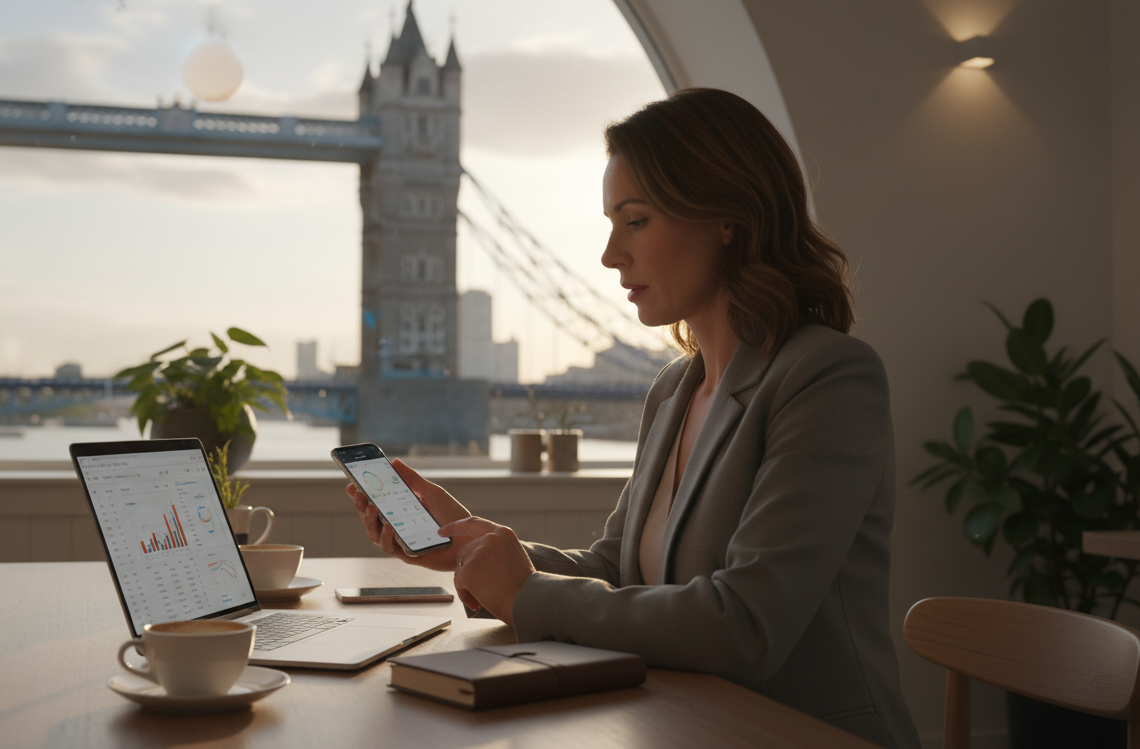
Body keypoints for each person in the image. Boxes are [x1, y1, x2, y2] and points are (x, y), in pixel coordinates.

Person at [346, 88, 921, 749]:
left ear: (727, 217)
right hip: (680, 723)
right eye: (611, 221)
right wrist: (477, 547)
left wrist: (524, 594)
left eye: (636, 220)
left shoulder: (830, 377)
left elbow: (747, 624)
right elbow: (621, 569)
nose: (610, 253)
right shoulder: (675, 389)